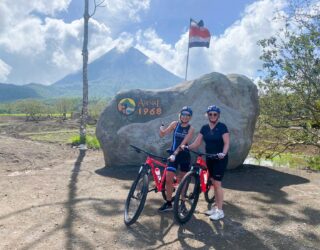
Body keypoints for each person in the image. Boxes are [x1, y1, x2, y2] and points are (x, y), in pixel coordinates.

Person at [181, 105, 230, 220]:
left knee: (217, 184)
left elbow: (227, 143)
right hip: (210, 158)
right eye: (210, 114)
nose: (212, 116)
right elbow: (197, 143)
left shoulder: (222, 127)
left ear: (218, 115)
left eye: (215, 114)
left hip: (220, 159)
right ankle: (216, 207)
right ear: (207, 115)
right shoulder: (204, 128)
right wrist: (187, 147)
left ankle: (220, 211)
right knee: (212, 182)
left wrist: (223, 153)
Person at [158, 106, 195, 212]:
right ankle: (169, 203)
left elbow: (183, 143)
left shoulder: (191, 129)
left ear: (190, 117)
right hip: (173, 155)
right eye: (183, 114)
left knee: (183, 181)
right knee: (169, 179)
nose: (185, 117)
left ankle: (182, 202)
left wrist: (175, 153)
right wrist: (161, 129)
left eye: (187, 115)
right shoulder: (175, 124)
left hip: (183, 155)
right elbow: (163, 134)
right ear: (180, 115)